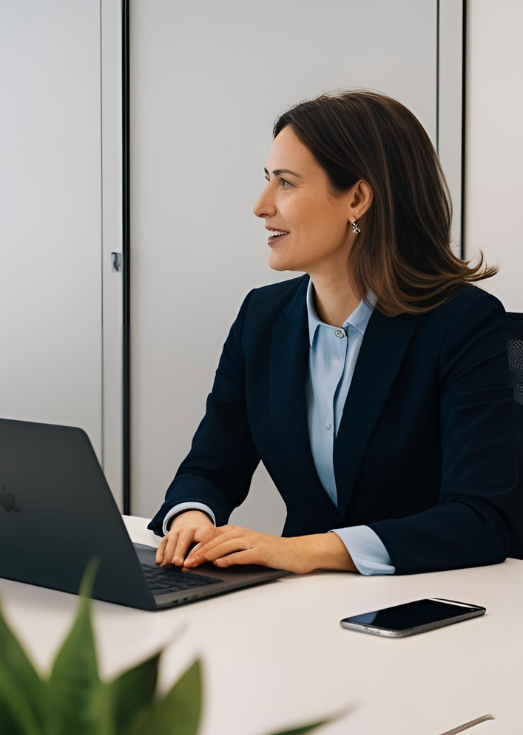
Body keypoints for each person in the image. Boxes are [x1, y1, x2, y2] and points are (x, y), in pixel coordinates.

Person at [151, 90, 517, 576]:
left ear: (357, 199)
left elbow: (481, 519)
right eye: (268, 181)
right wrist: (193, 516)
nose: (260, 206)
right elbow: (209, 468)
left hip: (426, 605)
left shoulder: (465, 323)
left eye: (286, 183)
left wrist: (307, 551)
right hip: (306, 607)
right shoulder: (260, 317)